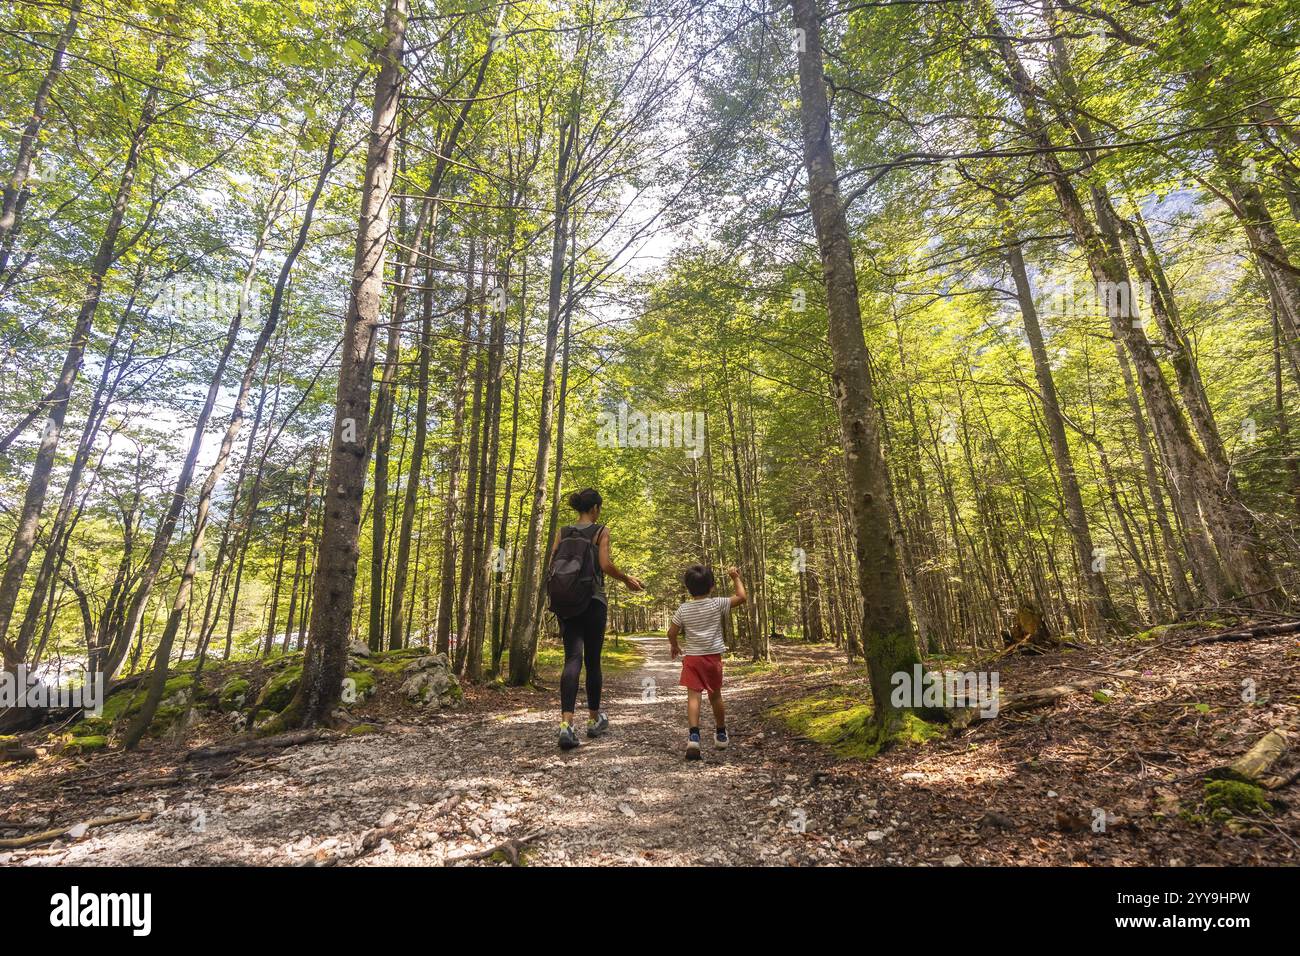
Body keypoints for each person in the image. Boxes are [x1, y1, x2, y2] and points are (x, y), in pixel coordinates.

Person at [552, 488, 643, 750]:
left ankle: (566, 725)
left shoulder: (562, 532)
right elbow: (604, 564)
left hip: (566, 602)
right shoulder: (600, 530)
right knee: (592, 662)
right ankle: (593, 721)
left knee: (571, 659)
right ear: (595, 509)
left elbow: (552, 565)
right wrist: (626, 579)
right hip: (592, 601)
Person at [667, 564, 746, 760]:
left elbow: (671, 632)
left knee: (694, 697)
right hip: (712, 658)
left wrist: (675, 645)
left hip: (692, 659)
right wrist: (735, 577)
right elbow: (742, 597)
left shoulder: (683, 609)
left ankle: (694, 736)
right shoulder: (717, 603)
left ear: (688, 588)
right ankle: (720, 733)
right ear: (712, 586)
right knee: (715, 696)